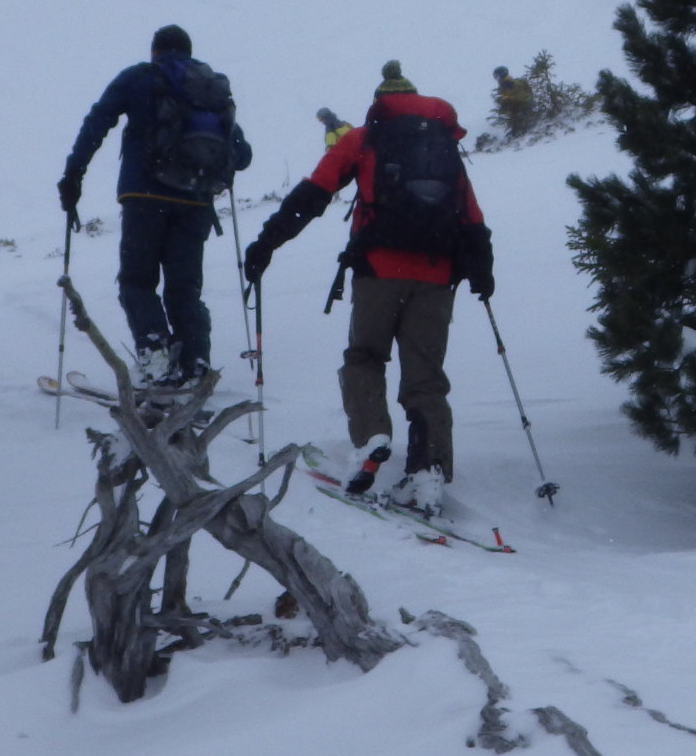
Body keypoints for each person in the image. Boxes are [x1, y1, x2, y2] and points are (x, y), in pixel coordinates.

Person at [241, 61, 493, 516]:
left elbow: (312, 195)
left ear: (381, 103)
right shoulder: (444, 146)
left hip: (379, 270)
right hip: (437, 276)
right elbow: (471, 216)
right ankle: (427, 472)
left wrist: (267, 243)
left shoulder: (363, 138)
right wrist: (482, 271)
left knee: (365, 357)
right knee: (425, 378)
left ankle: (371, 439)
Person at [58, 25, 250, 389]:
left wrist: (73, 175)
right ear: (188, 52)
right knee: (184, 290)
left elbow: (97, 121)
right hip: (195, 202)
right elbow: (242, 155)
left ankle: (157, 361)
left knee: (137, 281)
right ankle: (195, 366)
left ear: (155, 51)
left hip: (144, 197)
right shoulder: (209, 90)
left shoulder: (139, 77)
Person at [491, 65, 535, 139]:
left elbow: (520, 95)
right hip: (523, 103)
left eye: (497, 76)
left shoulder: (508, 83)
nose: (496, 79)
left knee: (516, 114)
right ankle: (517, 129)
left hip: (522, 104)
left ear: (501, 75)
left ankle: (521, 130)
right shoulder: (506, 83)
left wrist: (507, 99)